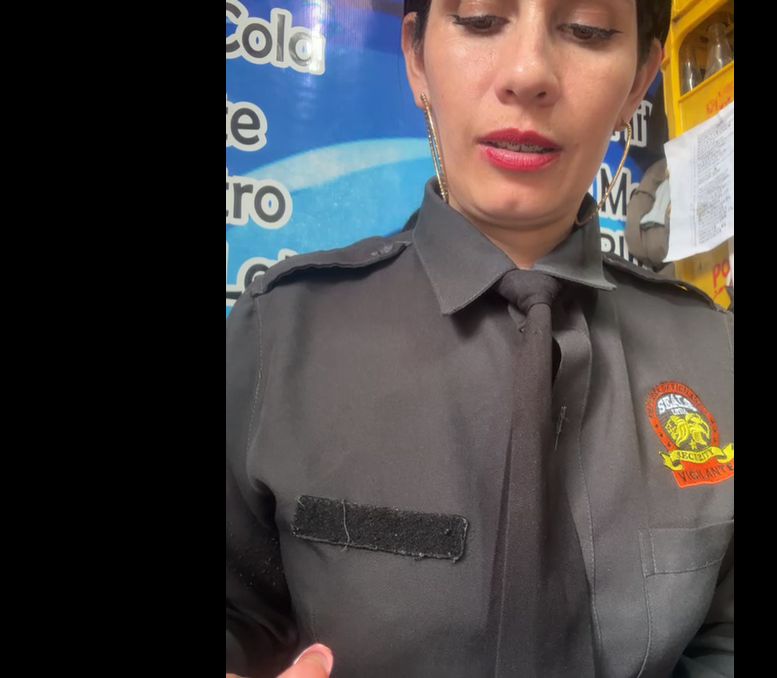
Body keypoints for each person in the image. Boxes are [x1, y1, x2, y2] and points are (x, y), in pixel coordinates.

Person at [227, 1, 733, 676]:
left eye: (585, 29)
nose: (528, 73)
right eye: (480, 19)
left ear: (640, 81)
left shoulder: (712, 352)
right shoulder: (280, 335)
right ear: (417, 60)